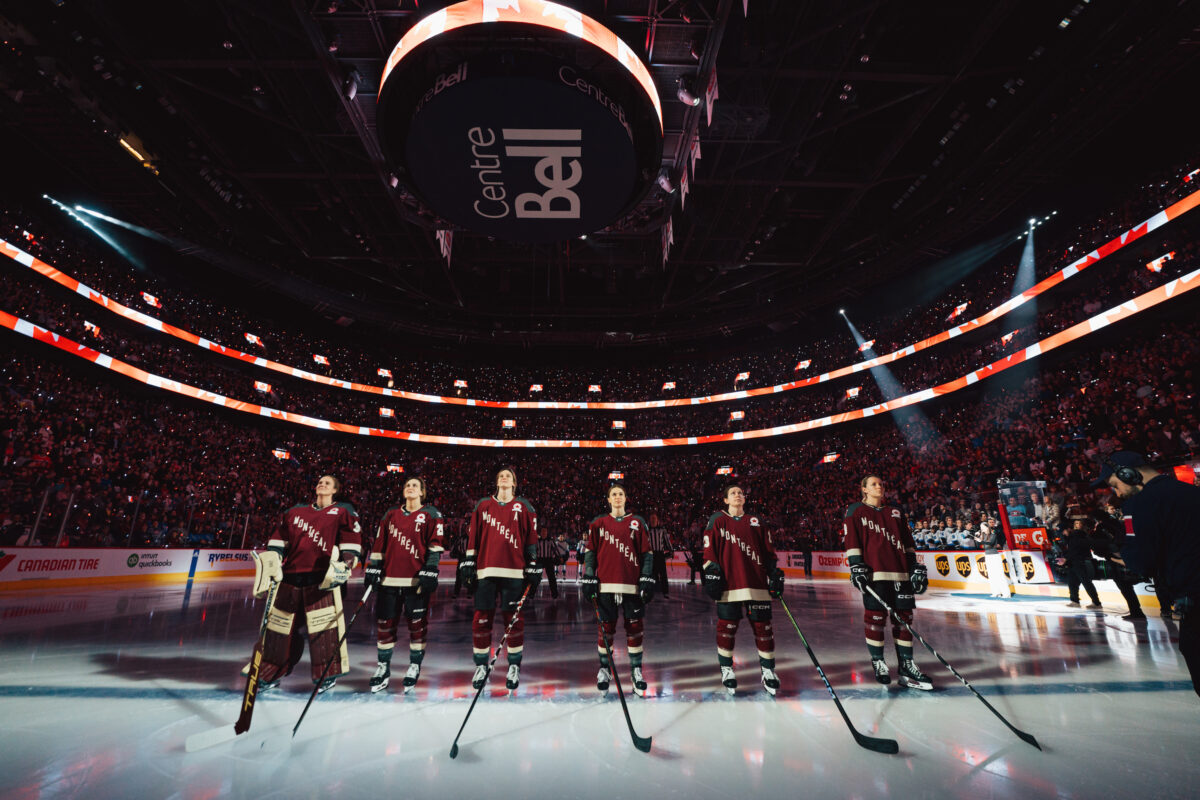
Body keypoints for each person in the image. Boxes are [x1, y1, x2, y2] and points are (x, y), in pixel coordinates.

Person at [1096, 452, 1200, 696]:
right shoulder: (1191, 492)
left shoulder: (1140, 503)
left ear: (1129, 474)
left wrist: (1120, 554)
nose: (1117, 493)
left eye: (1115, 485)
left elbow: (1141, 562)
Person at [256, 475, 363, 693]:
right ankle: (275, 670)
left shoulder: (343, 511)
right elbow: (278, 541)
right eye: (320, 481)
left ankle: (326, 673)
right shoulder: (295, 511)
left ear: (335, 490)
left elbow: (351, 540)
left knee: (324, 629)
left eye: (327, 482)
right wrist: (273, 560)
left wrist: (347, 561)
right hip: (291, 576)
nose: (322, 484)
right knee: (282, 628)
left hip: (323, 579)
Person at [844, 475, 932, 690]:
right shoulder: (855, 510)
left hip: (901, 575)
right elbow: (852, 540)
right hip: (875, 575)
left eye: (881, 484)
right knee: (875, 620)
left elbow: (908, 543)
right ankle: (878, 662)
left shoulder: (895, 512)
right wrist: (856, 566)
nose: (879, 487)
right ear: (864, 489)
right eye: (874, 484)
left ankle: (906, 667)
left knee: (904, 621)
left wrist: (914, 568)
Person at [458, 466, 540, 691]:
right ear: (497, 482)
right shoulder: (483, 505)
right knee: (481, 618)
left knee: (513, 620)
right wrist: (469, 561)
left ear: (514, 483)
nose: (504, 478)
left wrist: (532, 564)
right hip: (486, 570)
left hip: (515, 571)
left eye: (508, 476)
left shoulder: (524, 507)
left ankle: (514, 666)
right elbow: (473, 536)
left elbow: (531, 539)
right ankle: (481, 666)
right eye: (500, 475)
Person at [701, 483, 785, 696]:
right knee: (726, 628)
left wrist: (774, 572)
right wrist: (711, 572)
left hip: (756, 584)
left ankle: (768, 671)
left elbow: (768, 552)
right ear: (726, 500)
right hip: (729, 585)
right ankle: (726, 668)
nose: (738, 495)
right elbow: (709, 552)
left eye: (740, 492)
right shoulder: (717, 520)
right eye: (732, 493)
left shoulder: (756, 521)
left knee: (764, 629)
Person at [364, 476, 444, 692]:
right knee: (385, 625)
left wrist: (431, 568)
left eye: (415, 486)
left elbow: (435, 545)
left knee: (416, 626)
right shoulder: (390, 514)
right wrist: (373, 566)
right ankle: (383, 666)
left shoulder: (431, 515)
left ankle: (414, 666)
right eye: (407, 485)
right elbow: (380, 543)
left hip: (415, 581)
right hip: (389, 579)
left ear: (422, 493)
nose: (410, 488)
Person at [581, 483, 654, 696]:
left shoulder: (637, 522)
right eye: (614, 494)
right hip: (605, 585)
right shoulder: (599, 523)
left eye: (621, 493)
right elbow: (590, 552)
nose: (618, 497)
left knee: (635, 630)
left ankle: (636, 671)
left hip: (631, 584)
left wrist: (647, 576)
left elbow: (646, 554)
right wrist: (589, 575)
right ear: (608, 499)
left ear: (626, 497)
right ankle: (604, 669)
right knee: (605, 630)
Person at [1091, 501, 1145, 621]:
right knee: (1127, 587)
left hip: (1115, 560)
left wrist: (1108, 556)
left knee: (1125, 587)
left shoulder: (1102, 527)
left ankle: (1136, 611)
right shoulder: (1117, 522)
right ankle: (1136, 610)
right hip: (1126, 555)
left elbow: (1098, 546)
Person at [1057, 519, 1102, 609]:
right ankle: (1074, 601)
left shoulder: (1077, 536)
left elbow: (1076, 550)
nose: (1063, 534)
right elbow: (1071, 551)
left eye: (1063, 531)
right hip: (1073, 562)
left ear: (1069, 529)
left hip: (1080, 562)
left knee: (1086, 582)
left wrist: (1065, 558)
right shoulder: (1070, 538)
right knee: (1072, 582)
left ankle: (1096, 603)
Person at [978, 517, 1012, 598]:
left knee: (999, 574)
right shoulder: (984, 535)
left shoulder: (993, 534)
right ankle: (996, 592)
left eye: (983, 528)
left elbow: (988, 545)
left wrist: (982, 542)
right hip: (988, 556)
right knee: (992, 575)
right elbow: (981, 545)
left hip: (994, 556)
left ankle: (1006, 593)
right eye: (981, 528)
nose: (982, 529)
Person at [646, 513, 673, 598]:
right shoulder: (647, 531)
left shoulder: (662, 530)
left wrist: (671, 550)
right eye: (652, 519)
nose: (653, 520)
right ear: (649, 521)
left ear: (657, 520)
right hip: (651, 554)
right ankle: (651, 591)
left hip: (660, 554)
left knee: (663, 574)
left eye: (655, 519)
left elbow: (667, 541)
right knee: (651, 574)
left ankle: (665, 592)